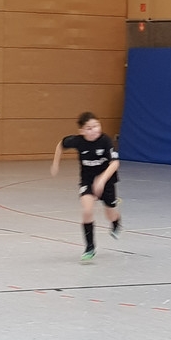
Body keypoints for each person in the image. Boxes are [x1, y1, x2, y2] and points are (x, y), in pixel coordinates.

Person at [51, 112, 123, 263]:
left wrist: (102, 180)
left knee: (110, 214)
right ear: (82, 131)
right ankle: (90, 247)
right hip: (87, 182)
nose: (94, 130)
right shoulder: (77, 141)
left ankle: (116, 222)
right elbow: (61, 144)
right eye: (89, 128)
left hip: (107, 181)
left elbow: (115, 163)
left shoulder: (105, 141)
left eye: (96, 126)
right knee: (87, 210)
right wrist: (55, 164)